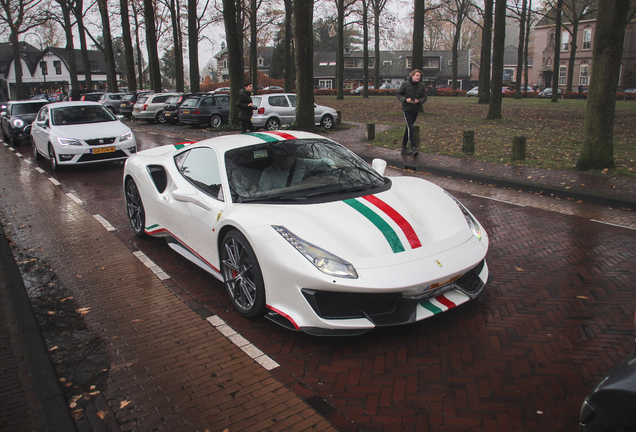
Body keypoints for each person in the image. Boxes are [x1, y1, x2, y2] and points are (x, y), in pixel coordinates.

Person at [396, 69, 427, 156]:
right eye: (417, 75)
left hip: (415, 109)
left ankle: (403, 147)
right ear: (412, 76)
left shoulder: (422, 85)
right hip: (407, 109)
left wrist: (419, 101)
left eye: (419, 76)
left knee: (408, 128)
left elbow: (424, 97)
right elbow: (398, 94)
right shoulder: (405, 84)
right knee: (411, 128)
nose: (418, 77)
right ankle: (413, 148)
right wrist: (406, 100)